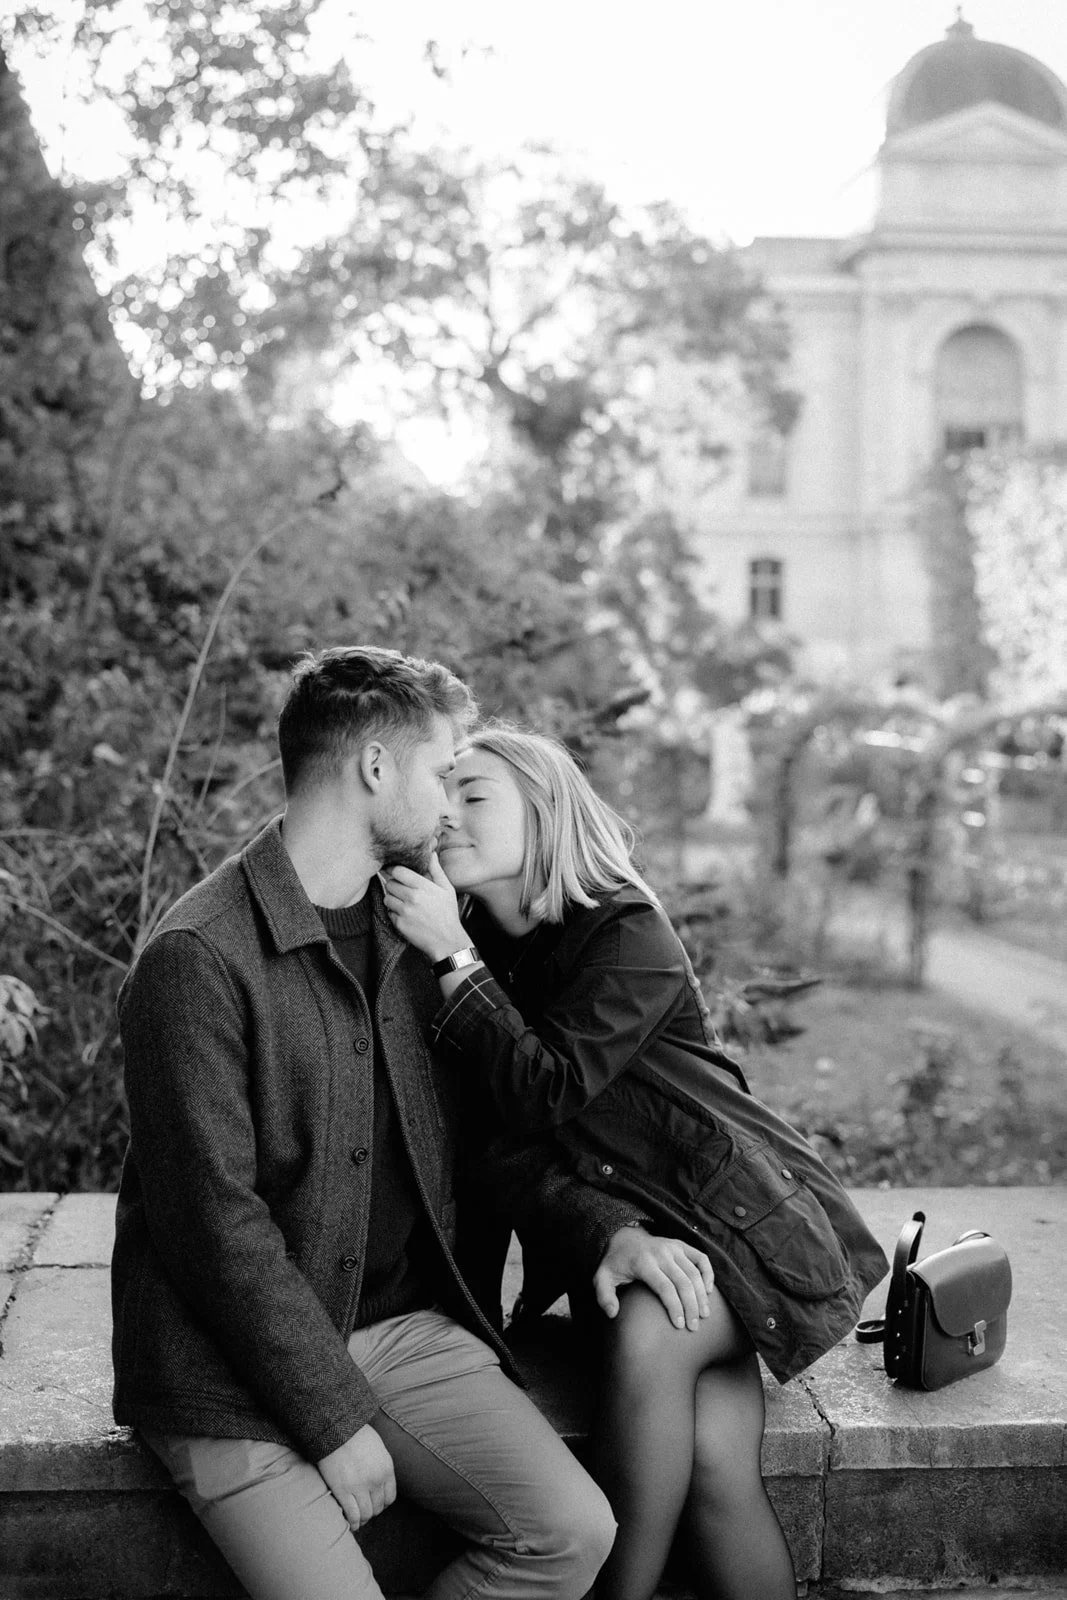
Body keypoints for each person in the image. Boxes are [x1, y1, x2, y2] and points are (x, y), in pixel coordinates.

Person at [110, 649, 667, 1600]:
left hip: (403, 1331)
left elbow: (492, 1137)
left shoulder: (423, 930)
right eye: (442, 773)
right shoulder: (196, 958)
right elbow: (213, 1227)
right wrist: (332, 1420)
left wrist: (598, 1231)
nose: (452, 805)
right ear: (375, 769)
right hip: (226, 1371)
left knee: (572, 1532)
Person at [383, 724, 891, 1600]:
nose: (448, 817)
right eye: (446, 793)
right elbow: (496, 1148)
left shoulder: (622, 930)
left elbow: (545, 1091)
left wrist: (455, 964)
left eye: (476, 797)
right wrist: (610, 1230)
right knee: (713, 1470)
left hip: (752, 1227)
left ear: (544, 814)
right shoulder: (486, 946)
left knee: (655, 1332)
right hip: (649, 1231)